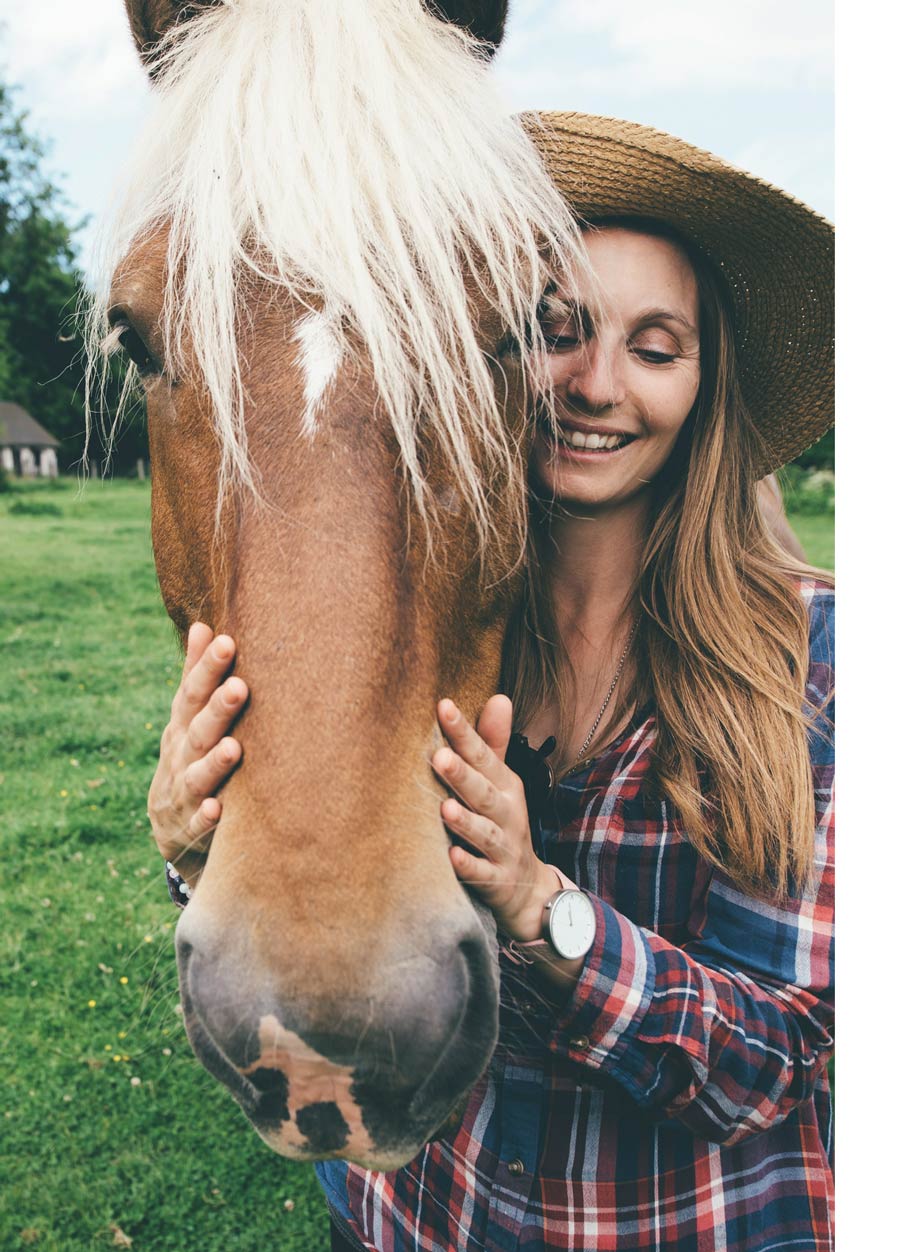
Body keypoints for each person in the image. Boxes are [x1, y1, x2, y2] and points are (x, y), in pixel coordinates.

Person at [145, 114, 835, 1252]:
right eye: (553, 331)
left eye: (657, 348)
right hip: (412, 1220)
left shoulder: (810, 658)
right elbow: (318, 930)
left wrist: (540, 905)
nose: (597, 384)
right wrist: (196, 849)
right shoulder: (420, 628)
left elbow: (770, 1065)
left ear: (708, 386)